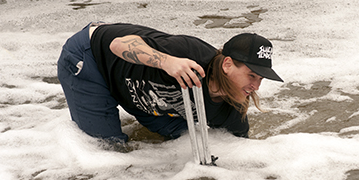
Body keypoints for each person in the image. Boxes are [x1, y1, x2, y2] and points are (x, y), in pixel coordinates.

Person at [57, 22, 283, 144]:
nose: (256, 86)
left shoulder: (231, 109)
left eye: (261, 79)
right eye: (252, 75)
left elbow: (240, 147)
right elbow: (117, 45)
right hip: (92, 58)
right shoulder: (188, 53)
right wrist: (166, 62)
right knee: (106, 148)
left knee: (179, 140)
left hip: (142, 95)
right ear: (227, 65)